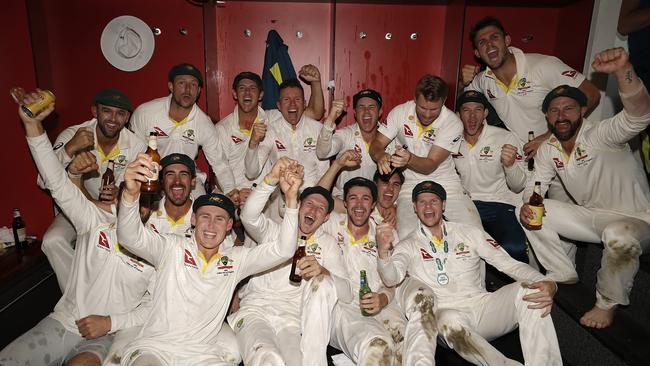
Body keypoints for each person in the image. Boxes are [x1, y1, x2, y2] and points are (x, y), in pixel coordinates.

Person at [0, 90, 154, 366]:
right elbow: (54, 180)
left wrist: (110, 321)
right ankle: (73, 291)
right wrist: (32, 125)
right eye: (132, 194)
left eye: (144, 200)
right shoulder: (94, 223)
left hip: (106, 334)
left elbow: (156, 305)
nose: (137, 204)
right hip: (65, 322)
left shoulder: (157, 248)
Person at [115, 154, 301, 365]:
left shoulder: (236, 259)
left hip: (202, 355)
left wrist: (291, 198)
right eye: (205, 216)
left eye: (219, 219)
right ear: (193, 220)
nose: (211, 226)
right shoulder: (171, 247)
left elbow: (284, 250)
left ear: (229, 225)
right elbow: (129, 237)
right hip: (155, 349)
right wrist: (130, 194)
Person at [518, 48, 650, 329]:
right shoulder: (550, 148)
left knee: (619, 234)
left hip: (637, 221)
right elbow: (536, 187)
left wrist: (623, 71)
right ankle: (562, 270)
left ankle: (607, 303)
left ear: (582, 110)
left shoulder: (601, 134)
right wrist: (529, 208)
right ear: (546, 116)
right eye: (554, 110)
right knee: (532, 209)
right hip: (591, 217)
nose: (561, 115)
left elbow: (638, 116)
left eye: (568, 108)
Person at [377, 181, 561, 365]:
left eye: (434, 201)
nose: (428, 207)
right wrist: (384, 254)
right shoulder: (408, 244)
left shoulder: (468, 232)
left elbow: (509, 265)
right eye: (422, 202)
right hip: (445, 319)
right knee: (449, 319)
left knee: (531, 291)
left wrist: (546, 282)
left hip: (481, 307)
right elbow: (392, 277)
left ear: (444, 204)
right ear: (414, 208)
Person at [230, 160, 352, 366]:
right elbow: (248, 216)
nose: (313, 211)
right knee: (268, 358)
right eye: (309, 204)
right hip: (255, 312)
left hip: (292, 321)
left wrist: (323, 271)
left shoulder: (327, 244)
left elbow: (347, 293)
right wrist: (270, 180)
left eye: (320, 209)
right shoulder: (274, 232)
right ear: (298, 206)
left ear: (326, 218)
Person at [319, 177, 437, 366]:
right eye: (353, 198)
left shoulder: (385, 232)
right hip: (343, 307)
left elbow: (393, 280)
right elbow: (315, 201)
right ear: (345, 202)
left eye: (365, 199)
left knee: (408, 347)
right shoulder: (329, 224)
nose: (359, 205)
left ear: (373, 204)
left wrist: (382, 298)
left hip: (381, 304)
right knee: (378, 347)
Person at [40, 88, 146, 291]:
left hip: (113, 211)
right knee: (52, 241)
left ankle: (108, 293)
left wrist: (122, 193)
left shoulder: (136, 145)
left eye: (120, 113)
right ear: (94, 111)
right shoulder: (74, 134)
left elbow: (143, 191)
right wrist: (70, 148)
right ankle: (77, 294)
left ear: (127, 118)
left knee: (113, 248)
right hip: (75, 207)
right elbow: (42, 181)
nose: (113, 119)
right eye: (107, 111)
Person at [462, 16, 601, 160]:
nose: (489, 45)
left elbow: (591, 94)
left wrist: (549, 137)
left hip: (567, 153)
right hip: (527, 162)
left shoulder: (543, 65)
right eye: (482, 42)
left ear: (507, 41)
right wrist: (463, 83)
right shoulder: (483, 80)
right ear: (477, 53)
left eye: (494, 37)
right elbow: (464, 104)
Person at [369, 74, 482, 238]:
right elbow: (376, 144)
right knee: (407, 235)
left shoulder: (452, 122)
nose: (427, 115)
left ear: (444, 101)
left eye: (434, 109)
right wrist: (381, 155)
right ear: (415, 99)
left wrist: (409, 159)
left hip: (445, 182)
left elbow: (430, 164)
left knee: (475, 234)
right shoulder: (400, 112)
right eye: (422, 108)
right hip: (410, 184)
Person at [216, 67, 326, 209]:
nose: (247, 93)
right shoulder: (222, 128)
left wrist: (316, 82)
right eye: (242, 88)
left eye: (253, 89)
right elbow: (219, 168)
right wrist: (233, 193)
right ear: (235, 93)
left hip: (264, 192)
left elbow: (315, 113)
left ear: (261, 95)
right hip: (232, 192)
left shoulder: (273, 117)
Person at [130, 63, 236, 198]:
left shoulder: (204, 123)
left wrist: (231, 191)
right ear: (171, 86)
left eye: (193, 84)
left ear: (198, 91)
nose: (187, 89)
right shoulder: (145, 113)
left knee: (199, 210)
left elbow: (219, 163)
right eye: (181, 83)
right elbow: (133, 154)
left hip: (189, 177)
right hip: (152, 175)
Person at [453, 90, 528, 262]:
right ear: (458, 115)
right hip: (467, 206)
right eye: (466, 110)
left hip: (500, 204)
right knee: (461, 250)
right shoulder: (451, 140)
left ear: (485, 113)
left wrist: (510, 166)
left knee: (515, 248)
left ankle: (523, 286)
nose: (472, 116)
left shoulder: (505, 137)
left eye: (478, 109)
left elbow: (518, 186)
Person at [245, 76, 330, 190]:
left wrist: (314, 198)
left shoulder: (318, 129)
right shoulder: (270, 131)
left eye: (297, 99)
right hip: (281, 197)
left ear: (304, 104)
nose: (292, 104)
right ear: (279, 106)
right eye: (286, 100)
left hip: (312, 196)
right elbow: (251, 174)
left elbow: (323, 172)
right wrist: (253, 143)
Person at [316, 89, 394, 197]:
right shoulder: (345, 134)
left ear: (380, 111)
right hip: (343, 201)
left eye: (371, 107)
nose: (366, 111)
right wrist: (331, 118)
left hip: (375, 204)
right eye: (361, 107)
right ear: (355, 113)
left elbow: (397, 178)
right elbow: (322, 153)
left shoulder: (390, 139)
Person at [316, 149, 404, 228]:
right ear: (375, 184)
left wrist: (396, 207)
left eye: (396, 184)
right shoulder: (360, 206)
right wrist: (337, 164)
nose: (390, 188)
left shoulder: (403, 212)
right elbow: (317, 197)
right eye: (385, 182)